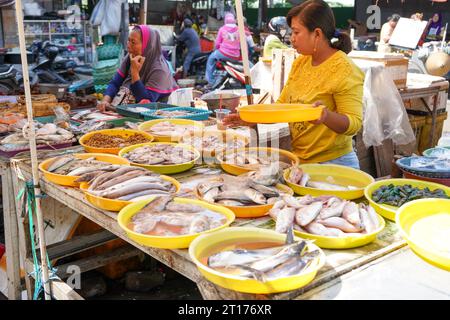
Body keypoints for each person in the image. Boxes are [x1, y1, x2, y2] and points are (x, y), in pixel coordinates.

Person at [223, 0, 364, 169]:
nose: (292, 39)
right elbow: (281, 107)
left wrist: (326, 116)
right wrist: (249, 118)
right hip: (301, 161)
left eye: (296, 32)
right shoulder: (301, 62)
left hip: (334, 164)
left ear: (317, 34)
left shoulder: (344, 69)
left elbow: (354, 124)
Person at [98, 25, 178, 111]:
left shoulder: (160, 70)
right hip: (121, 110)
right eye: (128, 41)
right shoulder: (130, 57)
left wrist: (135, 74)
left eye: (133, 42)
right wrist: (105, 100)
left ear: (147, 46)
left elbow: (146, 102)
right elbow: (115, 83)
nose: (128, 46)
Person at [205, 12, 242, 86]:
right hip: (236, 56)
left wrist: (215, 49)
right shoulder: (239, 29)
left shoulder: (222, 29)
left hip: (223, 53)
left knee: (211, 58)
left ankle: (210, 81)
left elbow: (217, 43)